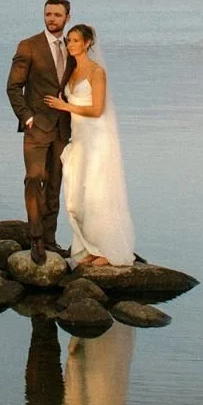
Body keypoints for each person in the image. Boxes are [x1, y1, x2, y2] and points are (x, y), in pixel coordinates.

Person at [45, 23, 136, 268]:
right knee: (78, 195)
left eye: (76, 40)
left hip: (97, 139)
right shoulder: (71, 71)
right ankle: (90, 246)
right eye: (69, 40)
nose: (71, 44)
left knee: (98, 192)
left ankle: (108, 249)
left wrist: (66, 106)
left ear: (87, 43)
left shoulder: (97, 72)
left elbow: (97, 109)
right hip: (80, 139)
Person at [6, 0, 76, 260]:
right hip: (36, 127)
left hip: (63, 128)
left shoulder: (73, 47)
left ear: (67, 17)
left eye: (57, 15)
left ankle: (50, 239)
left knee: (55, 183)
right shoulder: (29, 46)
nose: (52, 19)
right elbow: (13, 87)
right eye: (48, 14)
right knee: (34, 179)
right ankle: (35, 238)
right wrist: (27, 117)